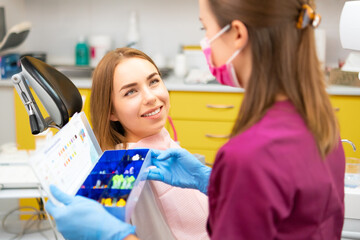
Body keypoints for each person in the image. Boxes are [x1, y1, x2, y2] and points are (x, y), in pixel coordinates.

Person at [46, 0, 346, 239]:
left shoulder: (250, 155)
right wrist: (215, 183)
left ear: (237, 34)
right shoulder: (318, 122)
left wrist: (114, 236)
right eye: (130, 92)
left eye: (206, 29)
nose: (205, 42)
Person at [46, 48, 209, 240]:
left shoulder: (163, 144)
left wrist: (212, 182)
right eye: (131, 92)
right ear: (111, 112)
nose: (150, 97)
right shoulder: (125, 167)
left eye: (154, 81)